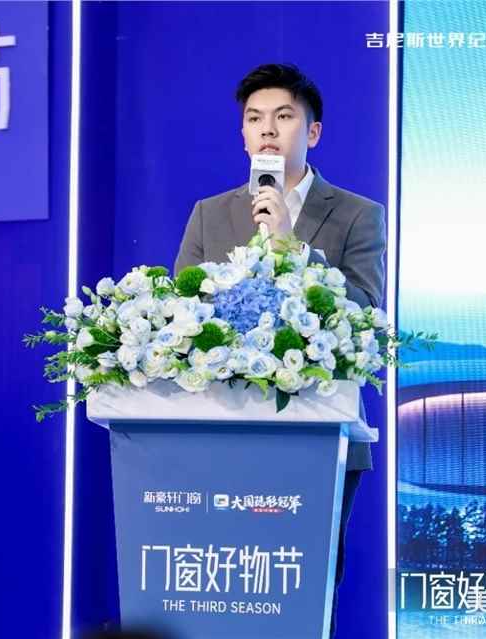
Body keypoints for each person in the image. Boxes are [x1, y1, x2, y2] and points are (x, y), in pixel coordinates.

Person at [173, 63, 386, 638]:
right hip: (216, 433)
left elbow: (364, 315)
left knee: (301, 587)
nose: (267, 129)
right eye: (254, 119)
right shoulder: (210, 214)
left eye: (284, 117)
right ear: (243, 134)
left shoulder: (357, 215)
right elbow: (179, 316)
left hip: (318, 434)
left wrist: (292, 244)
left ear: (312, 132)